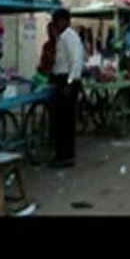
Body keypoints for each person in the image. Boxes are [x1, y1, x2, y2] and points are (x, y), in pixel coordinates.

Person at [48, 9, 84, 168]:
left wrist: (69, 83)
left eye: (56, 20)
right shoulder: (62, 38)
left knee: (65, 121)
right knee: (60, 121)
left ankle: (66, 156)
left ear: (64, 21)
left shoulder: (70, 37)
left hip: (67, 82)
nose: (55, 24)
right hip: (61, 80)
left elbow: (76, 62)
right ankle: (62, 154)